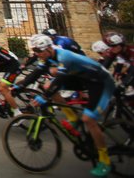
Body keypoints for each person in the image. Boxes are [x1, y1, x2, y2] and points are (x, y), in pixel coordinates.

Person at [27, 34, 115, 177]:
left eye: (39, 51)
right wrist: (17, 87)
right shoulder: (47, 56)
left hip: (100, 81)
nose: (37, 54)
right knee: (48, 85)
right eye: (35, 51)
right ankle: (73, 119)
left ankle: (105, 161)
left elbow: (60, 78)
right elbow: (37, 72)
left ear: (49, 48)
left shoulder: (64, 57)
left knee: (88, 119)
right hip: (82, 78)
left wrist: (45, 97)